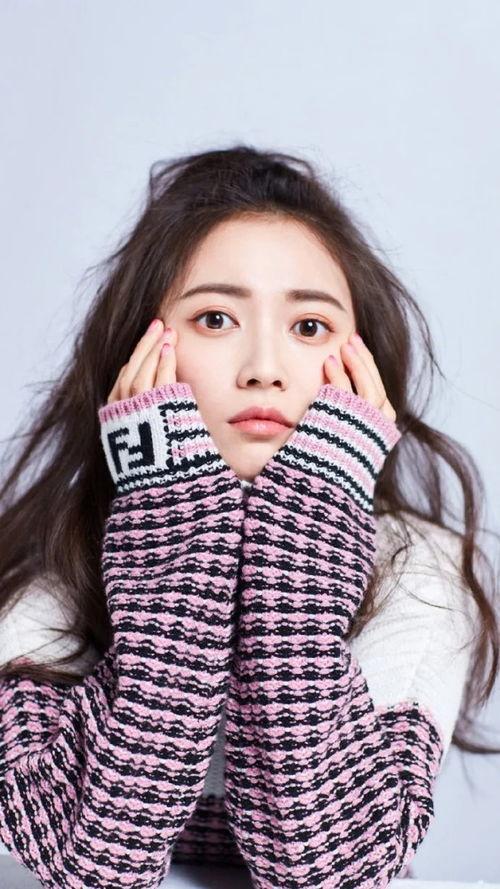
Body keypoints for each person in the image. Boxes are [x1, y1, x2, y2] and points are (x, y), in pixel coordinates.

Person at [0, 145, 498, 889]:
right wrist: (176, 536)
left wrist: (304, 531)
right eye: (215, 318)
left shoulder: (419, 570)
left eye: (310, 327)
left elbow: (324, 870)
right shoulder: (55, 566)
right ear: (138, 353)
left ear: (361, 365)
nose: (264, 368)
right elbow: (94, 865)